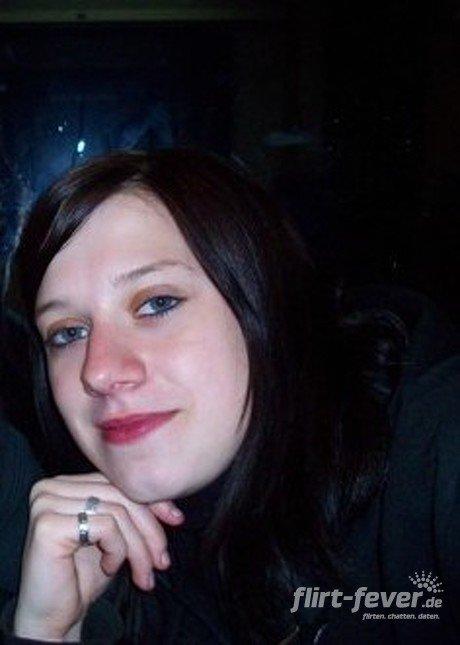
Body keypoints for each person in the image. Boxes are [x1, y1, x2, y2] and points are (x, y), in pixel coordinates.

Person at [2, 149, 459, 643]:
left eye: (157, 303)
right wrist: (48, 631)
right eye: (68, 333)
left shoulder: (433, 451)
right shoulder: (106, 562)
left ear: (264, 301)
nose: (100, 372)